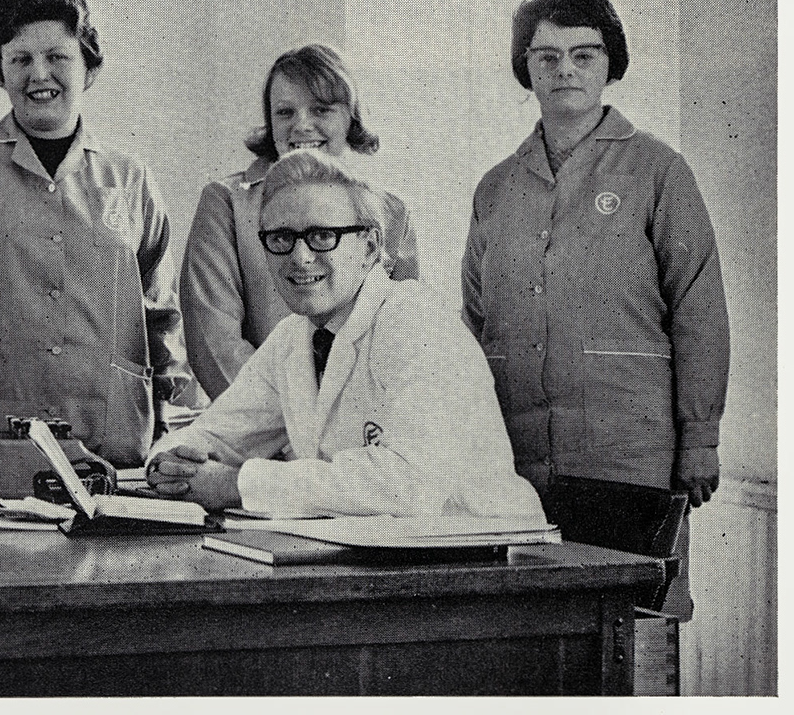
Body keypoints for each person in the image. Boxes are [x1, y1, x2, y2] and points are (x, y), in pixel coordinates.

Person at [462, 0, 727, 614]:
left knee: (632, 631)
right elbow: (472, 321)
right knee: (531, 635)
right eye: (547, 56)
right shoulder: (496, 188)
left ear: (610, 63)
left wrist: (701, 438)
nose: (565, 70)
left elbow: (698, 309)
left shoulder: (658, 171)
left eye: (584, 54)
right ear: (526, 68)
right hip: (513, 467)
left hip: (627, 460)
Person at [148, 149, 542, 519]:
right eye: (281, 238)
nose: (300, 258)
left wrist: (237, 484)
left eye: (323, 236)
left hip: (489, 549)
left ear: (370, 248)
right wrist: (168, 464)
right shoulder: (294, 337)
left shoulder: (414, 320)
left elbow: (411, 484)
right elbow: (217, 434)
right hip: (382, 551)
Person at [0, 0, 193, 486]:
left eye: (57, 57)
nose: (39, 75)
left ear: (88, 67)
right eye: (20, 59)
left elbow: (163, 320)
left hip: (111, 451)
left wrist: (174, 435)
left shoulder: (130, 179)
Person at [179, 45, 420, 400]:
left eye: (321, 109)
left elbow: (404, 340)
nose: (301, 125)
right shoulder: (226, 202)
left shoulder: (392, 212)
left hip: (361, 423)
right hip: (262, 421)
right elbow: (215, 343)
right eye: (285, 112)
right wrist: (292, 420)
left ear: (351, 117)